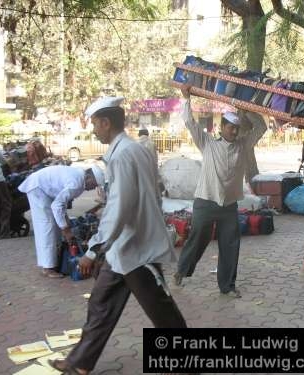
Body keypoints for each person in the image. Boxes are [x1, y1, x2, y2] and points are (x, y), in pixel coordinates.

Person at [48, 97, 187, 375]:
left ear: (106, 122)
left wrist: (92, 250)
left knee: (164, 314)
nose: (93, 131)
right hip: (121, 248)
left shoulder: (124, 154)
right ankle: (79, 364)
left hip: (136, 248)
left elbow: (119, 208)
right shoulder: (132, 149)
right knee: (100, 304)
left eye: (95, 125)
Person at [173, 86, 267, 298]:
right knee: (198, 239)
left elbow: (261, 127)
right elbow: (189, 122)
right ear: (221, 127)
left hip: (229, 205)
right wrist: (186, 98)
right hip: (205, 202)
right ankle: (182, 271)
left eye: (237, 128)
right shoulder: (207, 143)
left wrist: (247, 109)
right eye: (230, 127)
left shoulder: (244, 144)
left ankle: (228, 286)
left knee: (231, 244)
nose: (234, 131)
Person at [18, 165, 105, 278]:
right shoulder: (76, 183)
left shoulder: (79, 178)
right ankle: (47, 268)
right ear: (89, 178)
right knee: (47, 225)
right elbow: (57, 205)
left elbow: (61, 204)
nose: (93, 188)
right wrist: (66, 229)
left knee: (54, 225)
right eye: (94, 184)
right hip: (38, 188)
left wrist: (65, 223)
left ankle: (53, 263)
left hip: (41, 187)